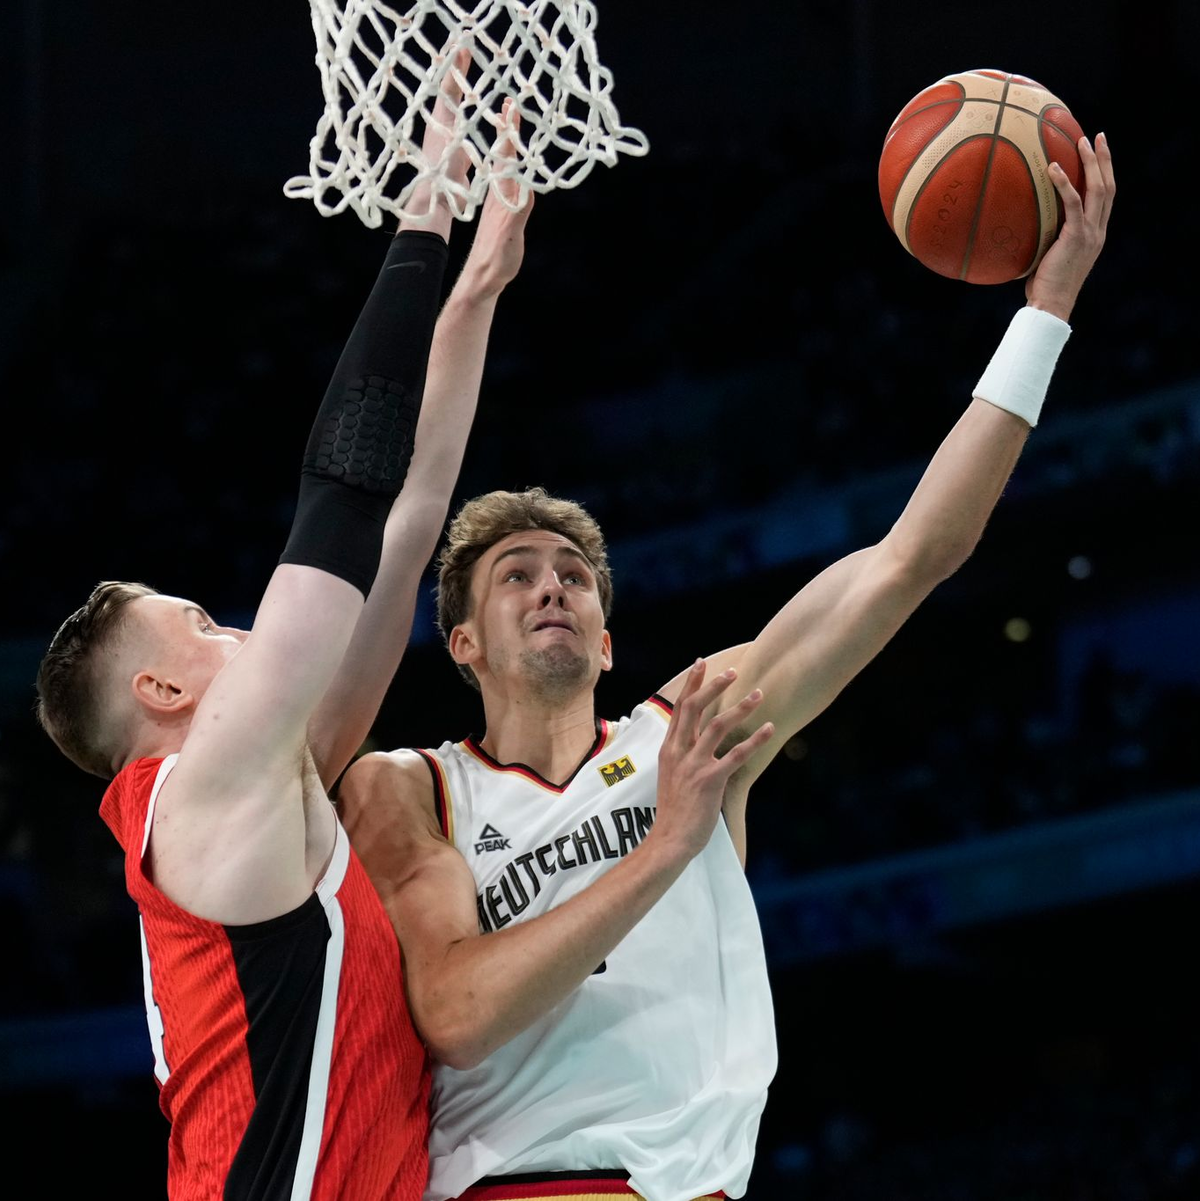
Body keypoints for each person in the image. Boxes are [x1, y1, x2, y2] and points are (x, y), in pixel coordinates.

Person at [336, 133, 1116, 1201]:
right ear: (463, 644)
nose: (552, 586)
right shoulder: (408, 787)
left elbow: (910, 558)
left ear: (609, 640)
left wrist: (1047, 310)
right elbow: (459, 1016)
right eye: (516, 576)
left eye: (573, 574)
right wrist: (665, 848)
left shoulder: (692, 723)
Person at [33, 63, 534, 1200]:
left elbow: (404, 528)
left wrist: (472, 298)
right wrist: (421, 221)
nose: (239, 626)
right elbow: (342, 490)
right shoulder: (211, 790)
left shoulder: (265, 789)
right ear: (162, 690)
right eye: (204, 622)